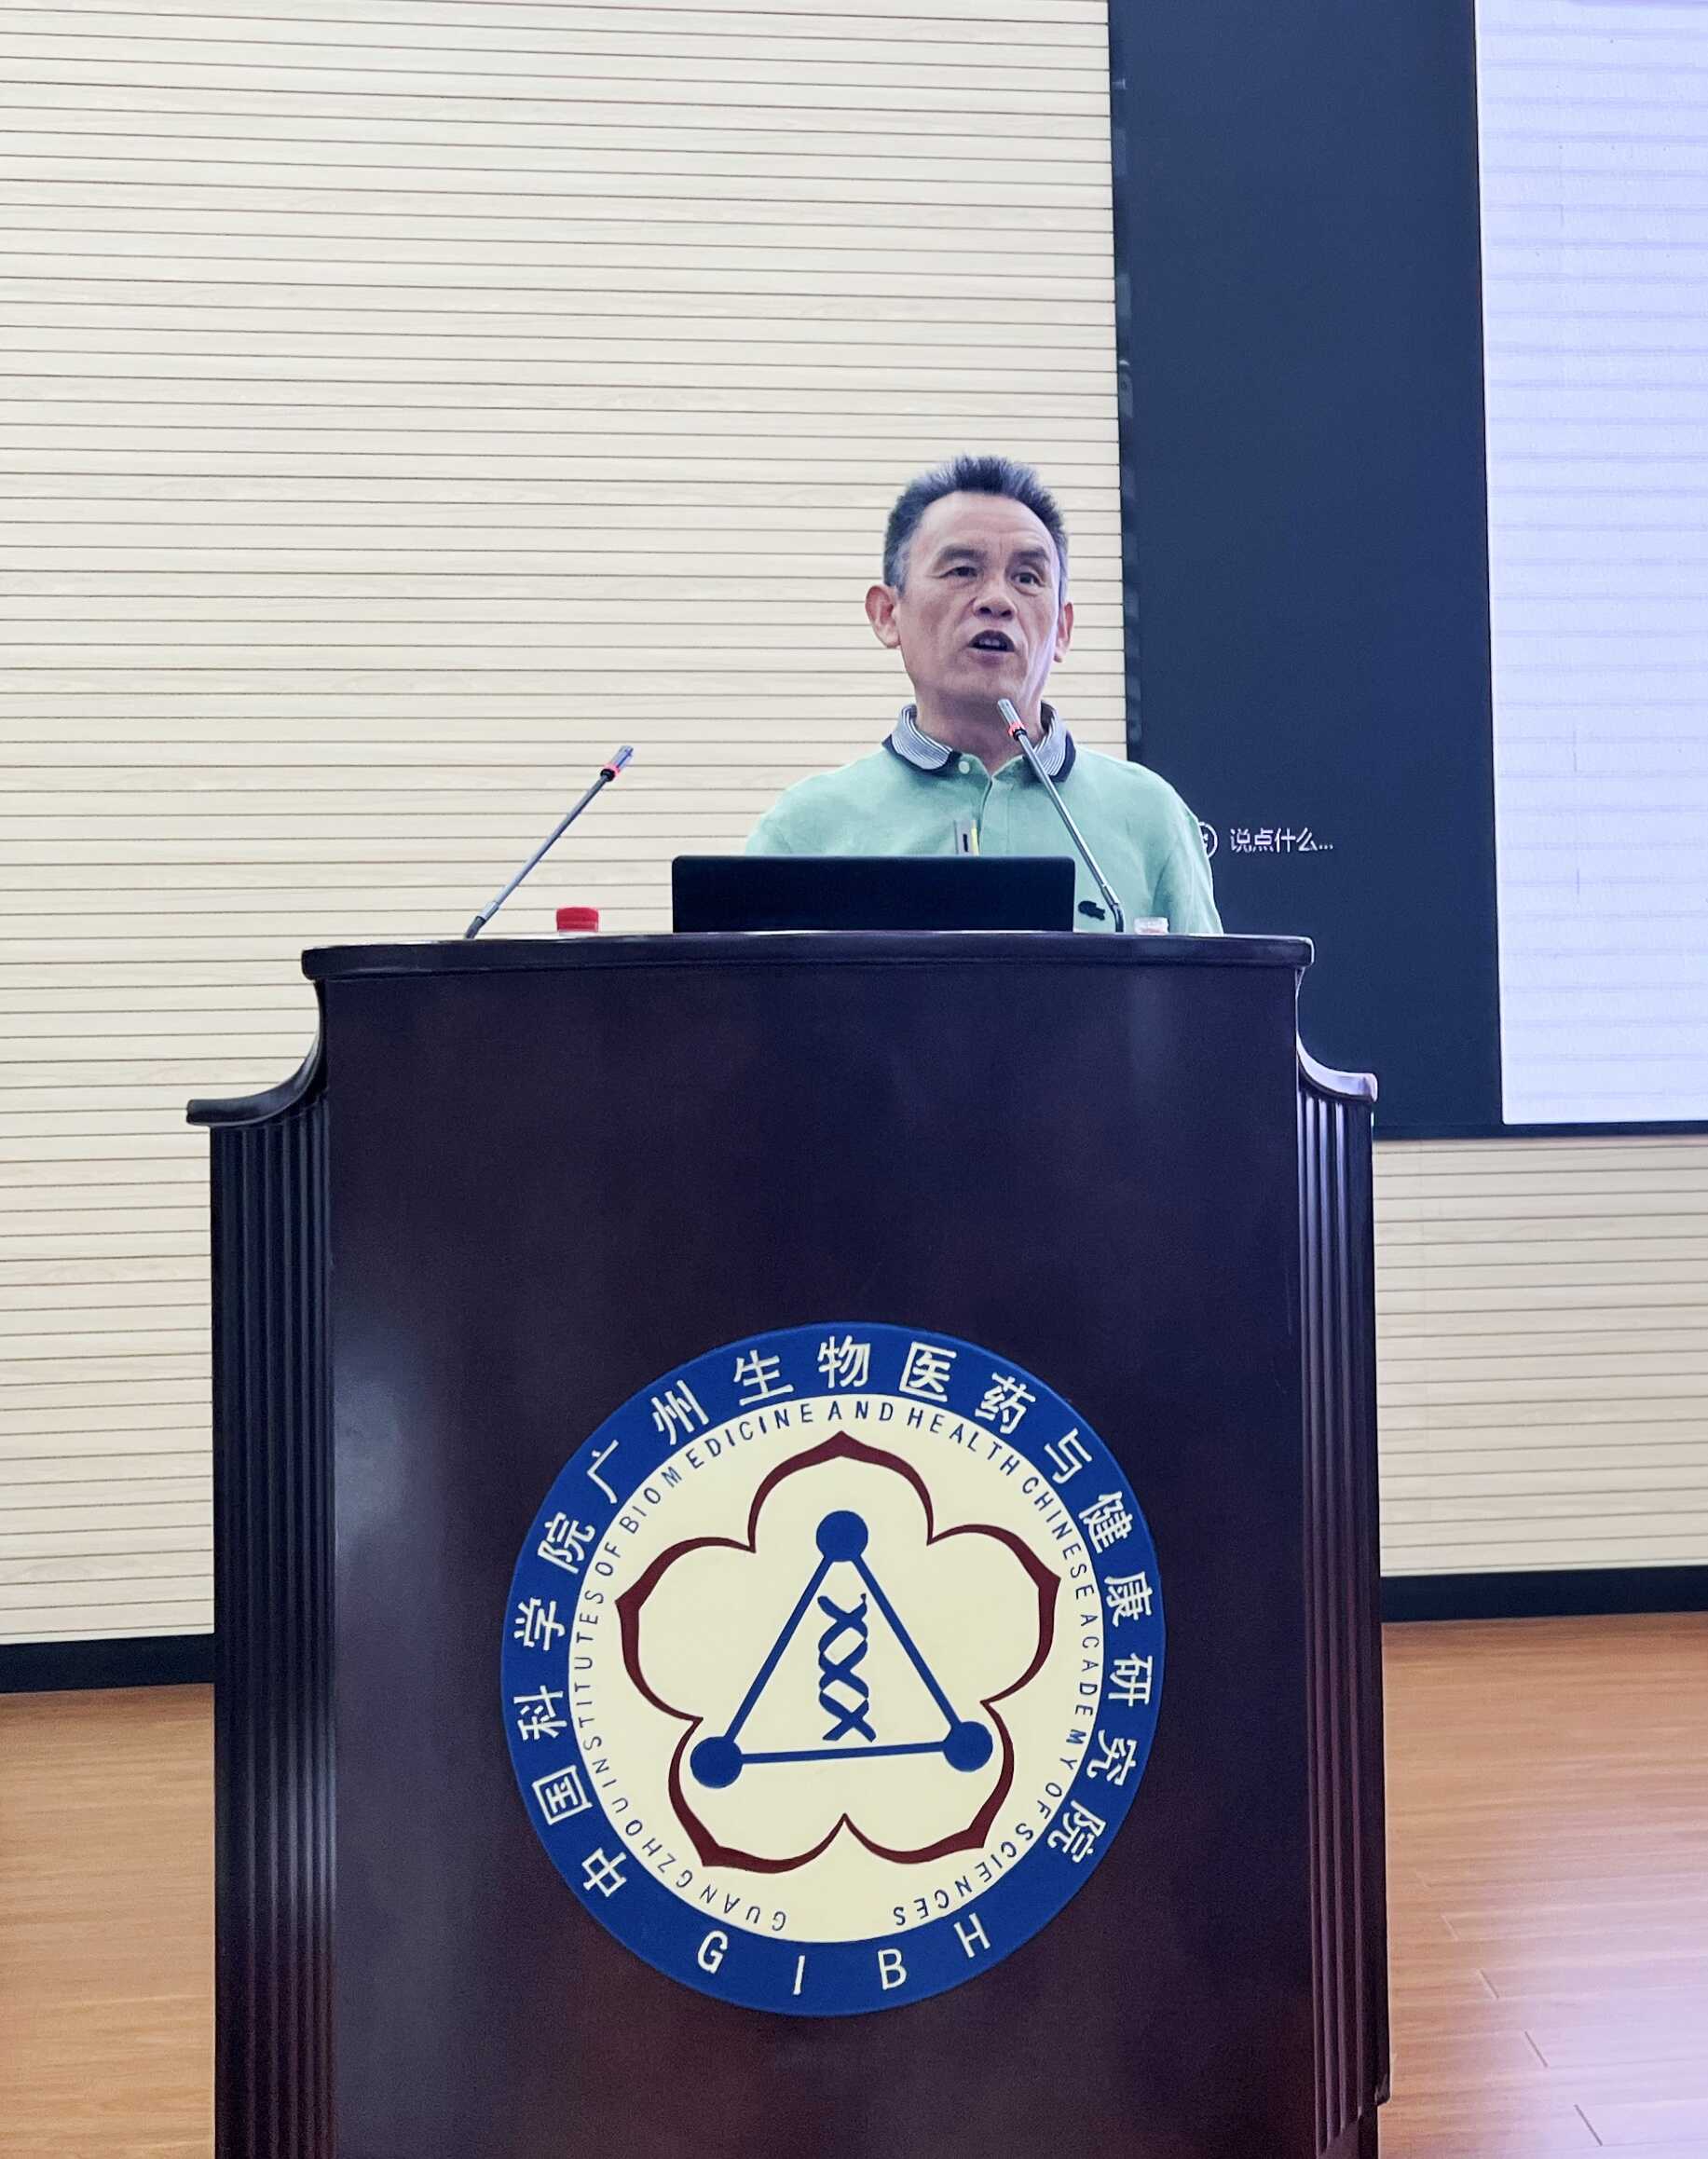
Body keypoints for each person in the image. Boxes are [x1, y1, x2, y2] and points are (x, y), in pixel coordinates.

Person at [745, 454, 1221, 934]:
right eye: (962, 571)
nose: (997, 600)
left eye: (1027, 578)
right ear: (888, 614)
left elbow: (1211, 984)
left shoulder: (1151, 817)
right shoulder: (805, 830)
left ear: (1062, 630)